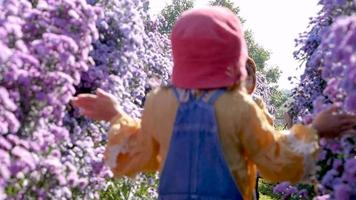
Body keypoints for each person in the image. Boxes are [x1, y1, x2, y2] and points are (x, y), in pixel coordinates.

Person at [71, 7, 356, 200]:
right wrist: (316, 129)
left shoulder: (161, 103)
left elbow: (138, 153)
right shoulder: (240, 107)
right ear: (234, 55)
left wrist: (115, 115)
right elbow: (276, 159)